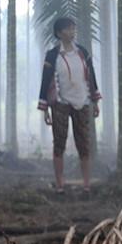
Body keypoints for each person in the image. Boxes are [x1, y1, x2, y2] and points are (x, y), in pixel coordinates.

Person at [36, 15, 100, 192]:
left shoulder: (83, 53)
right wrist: (45, 108)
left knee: (84, 144)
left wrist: (95, 101)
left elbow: (91, 76)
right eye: (68, 29)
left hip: (82, 101)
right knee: (59, 143)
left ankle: (86, 184)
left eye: (73, 28)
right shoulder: (52, 55)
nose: (72, 31)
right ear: (59, 33)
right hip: (60, 103)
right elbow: (45, 80)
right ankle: (60, 184)